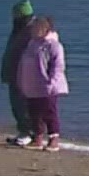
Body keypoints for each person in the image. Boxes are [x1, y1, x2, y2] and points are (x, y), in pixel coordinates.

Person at [16, 14, 68, 152]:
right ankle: (37, 138)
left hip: (47, 86)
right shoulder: (32, 44)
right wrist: (21, 80)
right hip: (31, 86)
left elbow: (58, 66)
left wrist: (52, 83)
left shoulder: (53, 45)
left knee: (49, 113)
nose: (32, 30)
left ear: (45, 29)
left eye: (35, 27)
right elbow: (23, 63)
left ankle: (53, 139)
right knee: (34, 113)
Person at [1, 0, 36, 146]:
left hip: (26, 76)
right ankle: (23, 131)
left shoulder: (32, 31)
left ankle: (29, 132)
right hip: (14, 74)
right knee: (16, 105)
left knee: (25, 106)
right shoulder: (19, 30)